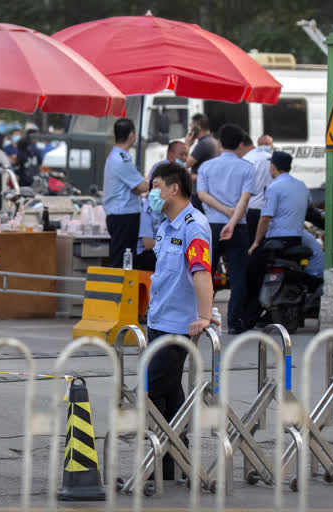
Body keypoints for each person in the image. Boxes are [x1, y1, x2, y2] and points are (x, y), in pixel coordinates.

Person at [146, 161, 216, 480]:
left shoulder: (193, 225)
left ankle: (160, 462)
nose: (151, 193)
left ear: (174, 188)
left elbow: (201, 273)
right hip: (158, 320)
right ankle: (174, 463)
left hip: (178, 328)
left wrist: (203, 317)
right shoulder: (166, 225)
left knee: (151, 392)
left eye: (156, 186)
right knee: (171, 394)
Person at [197, 124, 254, 334]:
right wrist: (232, 220)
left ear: (219, 143)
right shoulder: (247, 168)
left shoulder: (206, 167)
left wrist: (223, 211)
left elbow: (202, 195)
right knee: (238, 276)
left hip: (210, 226)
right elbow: (245, 199)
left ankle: (203, 318)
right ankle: (235, 322)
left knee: (205, 272)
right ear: (240, 144)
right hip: (238, 227)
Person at [245, 151, 309, 327]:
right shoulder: (302, 186)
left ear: (273, 167)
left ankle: (250, 318)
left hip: (277, 243)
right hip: (297, 240)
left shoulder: (274, 187)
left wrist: (256, 243)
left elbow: (265, 218)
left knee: (252, 272)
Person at [102, 118, 149, 268]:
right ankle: (118, 291)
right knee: (123, 260)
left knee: (126, 258)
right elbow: (142, 187)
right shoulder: (121, 159)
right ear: (131, 135)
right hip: (124, 216)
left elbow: (134, 187)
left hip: (122, 215)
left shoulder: (117, 156)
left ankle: (122, 290)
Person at [240, 135, 273, 246]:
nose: (264, 146)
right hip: (268, 209)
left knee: (251, 243)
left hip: (251, 208)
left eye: (266, 144)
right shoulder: (273, 160)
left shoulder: (247, 158)